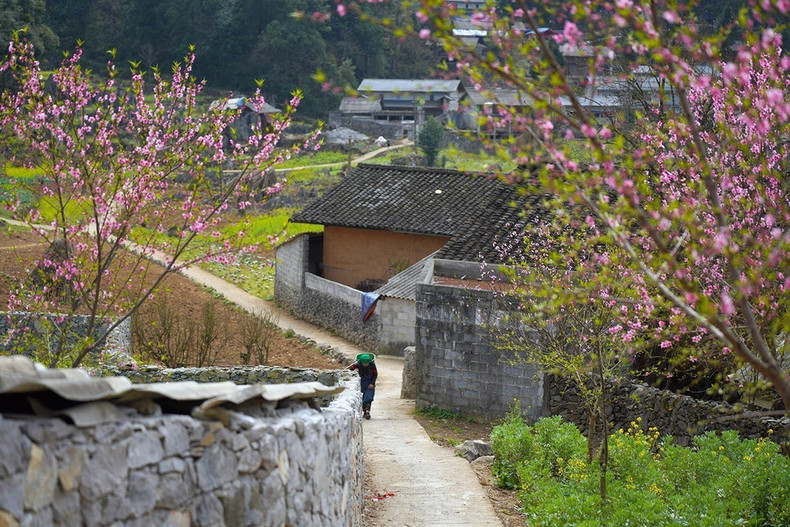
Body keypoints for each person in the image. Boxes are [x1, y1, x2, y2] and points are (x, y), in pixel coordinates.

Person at [349, 353, 377, 419]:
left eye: (367, 363)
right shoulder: (358, 364)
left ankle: (367, 412)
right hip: (361, 382)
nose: (365, 365)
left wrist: (372, 383)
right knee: (362, 398)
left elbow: (375, 374)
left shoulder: (372, 365)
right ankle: (364, 411)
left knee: (368, 397)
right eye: (364, 364)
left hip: (369, 383)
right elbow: (351, 368)